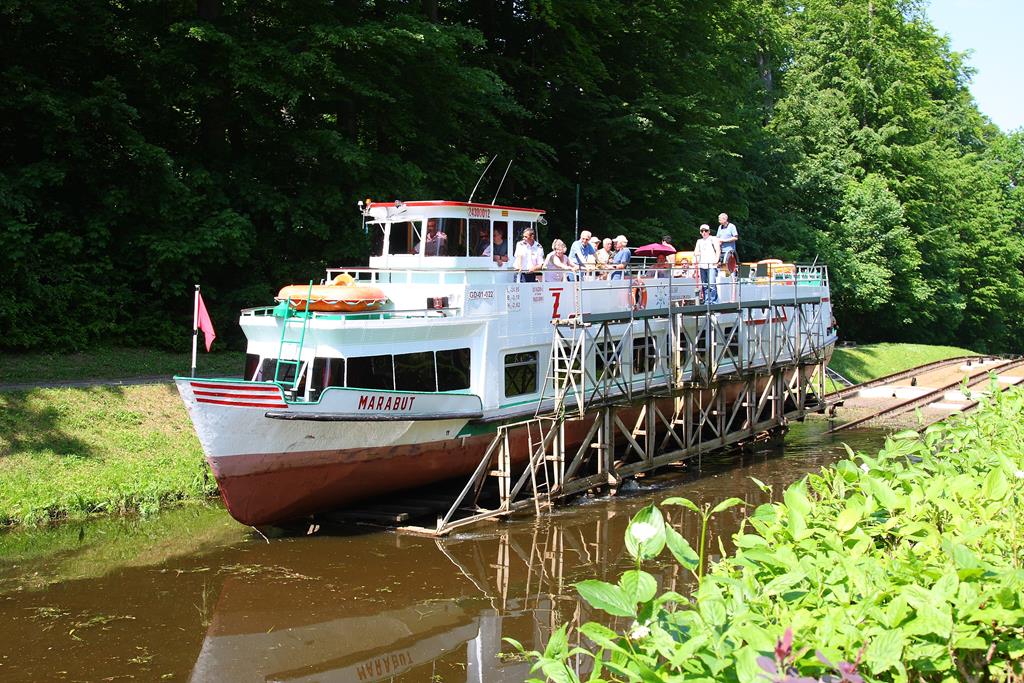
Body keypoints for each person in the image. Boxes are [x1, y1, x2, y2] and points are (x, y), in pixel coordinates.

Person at [694, 224, 720, 304]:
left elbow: (718, 250)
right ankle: (706, 301)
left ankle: (713, 302)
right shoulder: (699, 241)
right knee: (704, 285)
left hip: (711, 265)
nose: (704, 232)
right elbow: (696, 252)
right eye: (702, 231)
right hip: (702, 265)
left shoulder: (713, 239)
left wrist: (716, 260)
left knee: (712, 284)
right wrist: (697, 256)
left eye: (705, 231)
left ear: (709, 231)